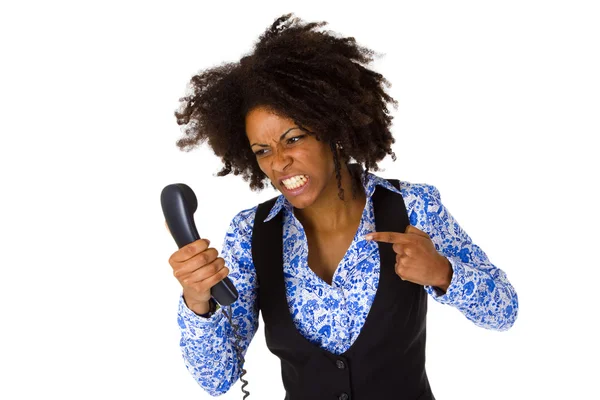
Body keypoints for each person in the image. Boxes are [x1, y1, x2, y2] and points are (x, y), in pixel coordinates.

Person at [167, 13, 518, 400]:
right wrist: (197, 300)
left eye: (294, 138)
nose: (278, 162)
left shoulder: (412, 206)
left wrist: (442, 273)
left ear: (332, 129)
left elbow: (504, 311)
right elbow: (215, 380)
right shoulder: (251, 232)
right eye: (262, 151)